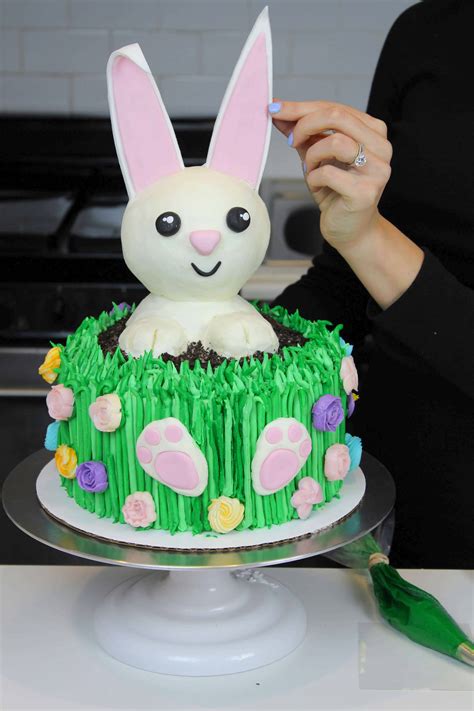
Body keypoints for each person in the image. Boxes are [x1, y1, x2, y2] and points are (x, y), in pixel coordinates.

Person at [268, 0, 474, 568]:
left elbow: (367, 243)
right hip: (357, 492)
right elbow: (343, 281)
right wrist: (234, 347)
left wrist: (368, 239)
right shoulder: (425, 29)